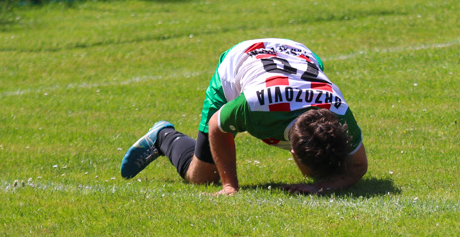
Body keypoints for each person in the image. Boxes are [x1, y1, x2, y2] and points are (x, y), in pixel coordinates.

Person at [120, 38, 368, 194]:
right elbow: (218, 126)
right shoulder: (256, 106)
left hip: (299, 53)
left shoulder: (339, 112)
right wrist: (230, 186)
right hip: (239, 61)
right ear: (292, 152)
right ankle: (163, 136)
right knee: (202, 177)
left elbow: (358, 166)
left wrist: (321, 186)